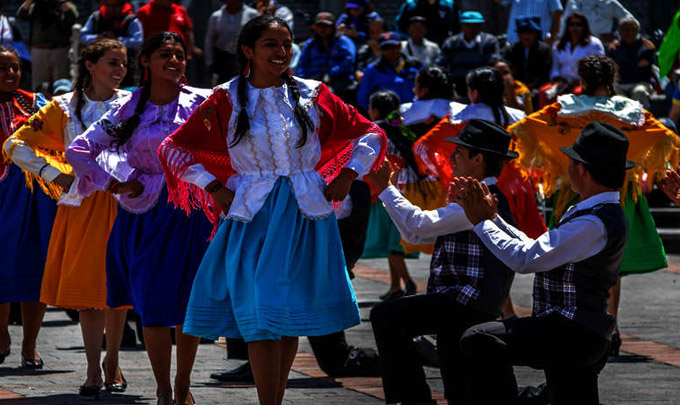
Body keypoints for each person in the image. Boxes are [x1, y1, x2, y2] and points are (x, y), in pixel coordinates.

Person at [158, 15, 386, 405]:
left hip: (305, 214)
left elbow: (369, 132)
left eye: (286, 43)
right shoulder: (225, 97)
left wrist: (348, 175)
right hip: (253, 216)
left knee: (286, 314)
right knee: (263, 314)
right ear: (248, 50)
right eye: (270, 44)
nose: (282, 52)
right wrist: (213, 187)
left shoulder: (313, 93)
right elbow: (174, 148)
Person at [66, 32, 213, 405]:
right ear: (145, 62)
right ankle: (163, 388)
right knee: (152, 299)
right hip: (145, 213)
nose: (175, 61)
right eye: (165, 54)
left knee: (189, 301)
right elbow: (80, 149)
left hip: (193, 210)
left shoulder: (203, 102)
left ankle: (182, 383)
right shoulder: (129, 107)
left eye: (180, 55)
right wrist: (112, 182)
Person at [508, 55, 679, 357]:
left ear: (583, 79)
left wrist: (561, 156)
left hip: (575, 191)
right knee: (611, 268)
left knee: (565, 260)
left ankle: (568, 319)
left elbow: (524, 128)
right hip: (617, 191)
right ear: (611, 79)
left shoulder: (562, 109)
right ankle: (610, 328)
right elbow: (665, 137)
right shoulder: (630, 110)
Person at [455, 121, 634, 405]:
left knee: (478, 339)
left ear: (582, 170)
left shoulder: (593, 221)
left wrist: (481, 223)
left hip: (574, 331)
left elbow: (524, 259)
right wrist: (492, 219)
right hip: (579, 330)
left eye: (571, 162)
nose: (567, 169)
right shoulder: (596, 213)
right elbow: (534, 248)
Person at [5, 39, 130, 397]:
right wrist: (54, 173)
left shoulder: (133, 104)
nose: (120, 70)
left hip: (126, 204)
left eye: (123, 63)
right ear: (90, 65)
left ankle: (113, 361)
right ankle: (94, 368)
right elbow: (15, 145)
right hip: (83, 206)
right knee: (91, 293)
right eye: (112, 62)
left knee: (117, 291)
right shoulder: (64, 107)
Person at [367, 119, 517, 405]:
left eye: (458, 153)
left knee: (387, 317)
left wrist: (386, 189)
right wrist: (389, 191)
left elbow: (419, 225)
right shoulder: (478, 196)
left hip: (466, 301)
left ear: (477, 159)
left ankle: (412, 399)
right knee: (457, 382)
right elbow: (413, 229)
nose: (452, 159)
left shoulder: (480, 199)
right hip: (462, 300)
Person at [0, 45, 53, 370]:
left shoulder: (35, 103)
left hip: (37, 198)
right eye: (3, 68)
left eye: (15, 67)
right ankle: (1, 335)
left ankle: (30, 345)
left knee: (38, 268)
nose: (10, 73)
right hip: (2, 196)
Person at [362, 90, 419, 301]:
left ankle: (409, 283)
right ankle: (396, 286)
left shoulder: (374, 134)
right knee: (392, 244)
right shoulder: (405, 131)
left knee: (393, 246)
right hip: (407, 192)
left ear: (374, 110)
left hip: (385, 194)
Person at [540, 12, 604, 107]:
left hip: (584, 82)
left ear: (584, 27)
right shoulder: (559, 44)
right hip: (562, 82)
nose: (575, 27)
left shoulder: (594, 44)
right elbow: (555, 67)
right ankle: (548, 120)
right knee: (544, 92)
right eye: (572, 24)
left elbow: (599, 67)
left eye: (578, 24)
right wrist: (557, 79)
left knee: (577, 93)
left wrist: (581, 79)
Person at [437, 11, 500, 101]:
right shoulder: (451, 42)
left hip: (481, 86)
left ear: (481, 26)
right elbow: (442, 65)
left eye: (476, 25)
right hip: (457, 86)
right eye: (468, 25)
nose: (472, 29)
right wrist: (450, 88)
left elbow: (492, 65)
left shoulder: (489, 41)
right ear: (461, 26)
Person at [17, 0, 78, 91]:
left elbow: (72, 16)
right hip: (39, 50)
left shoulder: (63, 5)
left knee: (62, 84)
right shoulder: (35, 7)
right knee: (39, 85)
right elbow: (21, 14)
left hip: (60, 50)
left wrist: (61, 1)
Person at [296, 12, 356, 100]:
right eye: (319, 26)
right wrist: (301, 81)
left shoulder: (343, 42)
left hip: (336, 81)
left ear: (333, 27)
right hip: (312, 81)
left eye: (326, 26)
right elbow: (302, 65)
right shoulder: (310, 44)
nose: (322, 29)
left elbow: (348, 61)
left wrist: (332, 74)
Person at [357, 32, 422, 111]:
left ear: (400, 46)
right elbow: (363, 99)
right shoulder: (372, 70)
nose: (391, 51)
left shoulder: (415, 65)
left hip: (414, 113)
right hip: (387, 117)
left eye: (394, 47)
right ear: (381, 49)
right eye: (386, 48)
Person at [608, 18, 657, 110]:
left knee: (639, 92)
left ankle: (642, 121)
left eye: (633, 29)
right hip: (620, 83)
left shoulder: (647, 47)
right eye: (626, 29)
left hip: (640, 82)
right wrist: (632, 66)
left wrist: (625, 67)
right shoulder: (613, 48)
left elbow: (641, 70)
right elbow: (614, 69)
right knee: (617, 96)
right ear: (620, 31)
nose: (629, 33)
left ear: (638, 31)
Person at [205, 0, 259, 83]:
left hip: (244, 57)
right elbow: (209, 40)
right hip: (222, 58)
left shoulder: (252, 14)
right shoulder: (216, 16)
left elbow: (258, 37)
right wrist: (209, 62)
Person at [502, 17, 553, 91]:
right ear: (518, 35)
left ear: (535, 34)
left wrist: (534, 85)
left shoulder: (544, 50)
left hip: (538, 88)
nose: (526, 36)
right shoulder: (511, 50)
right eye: (523, 33)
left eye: (529, 33)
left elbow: (545, 73)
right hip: (516, 87)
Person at [561, 0, 634, 43]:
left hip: (604, 46)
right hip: (580, 45)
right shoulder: (573, 2)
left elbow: (631, 21)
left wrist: (617, 35)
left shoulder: (610, 3)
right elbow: (563, 24)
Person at [395, 0, 460, 45]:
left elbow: (458, 27)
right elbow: (399, 26)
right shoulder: (411, 5)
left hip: (442, 45)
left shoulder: (449, 5)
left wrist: (450, 43)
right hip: (416, 46)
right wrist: (409, 41)